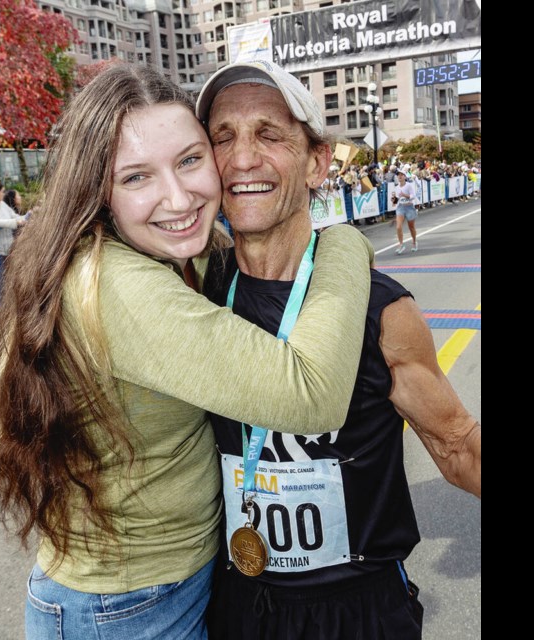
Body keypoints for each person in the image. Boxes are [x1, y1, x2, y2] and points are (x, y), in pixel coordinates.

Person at [0, 63, 375, 640]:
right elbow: (309, 393)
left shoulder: (164, 254)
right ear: (98, 192)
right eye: (136, 177)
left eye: (190, 160)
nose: (178, 195)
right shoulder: (118, 284)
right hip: (127, 610)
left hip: (154, 590)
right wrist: (340, 243)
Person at [194, 59, 482, 640]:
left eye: (269, 135)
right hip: (238, 605)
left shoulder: (380, 308)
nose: (243, 158)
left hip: (361, 610)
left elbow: (457, 447)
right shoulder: (194, 294)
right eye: (223, 138)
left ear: (317, 162)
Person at [392, 168, 418, 254]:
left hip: (409, 207)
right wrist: (393, 200)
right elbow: (396, 200)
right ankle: (401, 244)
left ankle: (414, 242)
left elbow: (413, 196)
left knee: (411, 227)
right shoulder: (396, 187)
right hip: (400, 207)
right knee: (398, 227)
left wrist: (405, 195)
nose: (399, 176)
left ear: (404, 177)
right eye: (398, 175)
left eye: (401, 175)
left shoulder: (409, 185)